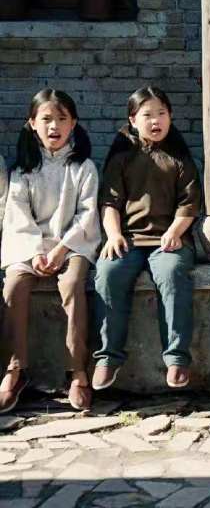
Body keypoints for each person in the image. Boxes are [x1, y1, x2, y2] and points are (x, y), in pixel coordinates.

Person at [91, 86, 201, 391]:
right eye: (148, 115)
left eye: (162, 113)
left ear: (171, 116)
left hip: (170, 240)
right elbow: (110, 202)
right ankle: (108, 357)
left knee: (172, 273)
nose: (156, 121)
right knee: (108, 272)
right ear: (133, 120)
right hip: (128, 239)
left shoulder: (180, 158)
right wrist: (113, 234)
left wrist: (175, 232)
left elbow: (189, 205)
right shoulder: (122, 157)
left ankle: (176, 357)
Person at [0, 89, 99, 412]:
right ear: (32, 123)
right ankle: (15, 369)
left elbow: (87, 215)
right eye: (46, 119)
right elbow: (18, 217)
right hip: (30, 247)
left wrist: (60, 250)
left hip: (72, 246)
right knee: (14, 286)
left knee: (72, 284)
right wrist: (35, 253)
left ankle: (77, 371)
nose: (54, 126)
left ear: (73, 123)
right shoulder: (22, 170)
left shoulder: (84, 168)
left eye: (61, 119)